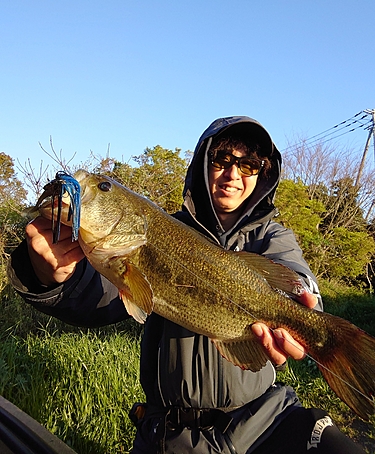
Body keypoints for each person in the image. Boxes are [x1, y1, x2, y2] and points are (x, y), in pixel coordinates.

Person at [9, 116, 365, 453]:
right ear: (202, 163)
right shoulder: (155, 234)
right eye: (222, 159)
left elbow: (297, 279)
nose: (233, 174)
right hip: (169, 434)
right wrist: (52, 275)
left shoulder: (274, 236)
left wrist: (305, 307)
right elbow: (101, 298)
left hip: (264, 419)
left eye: (249, 165)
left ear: (262, 175)